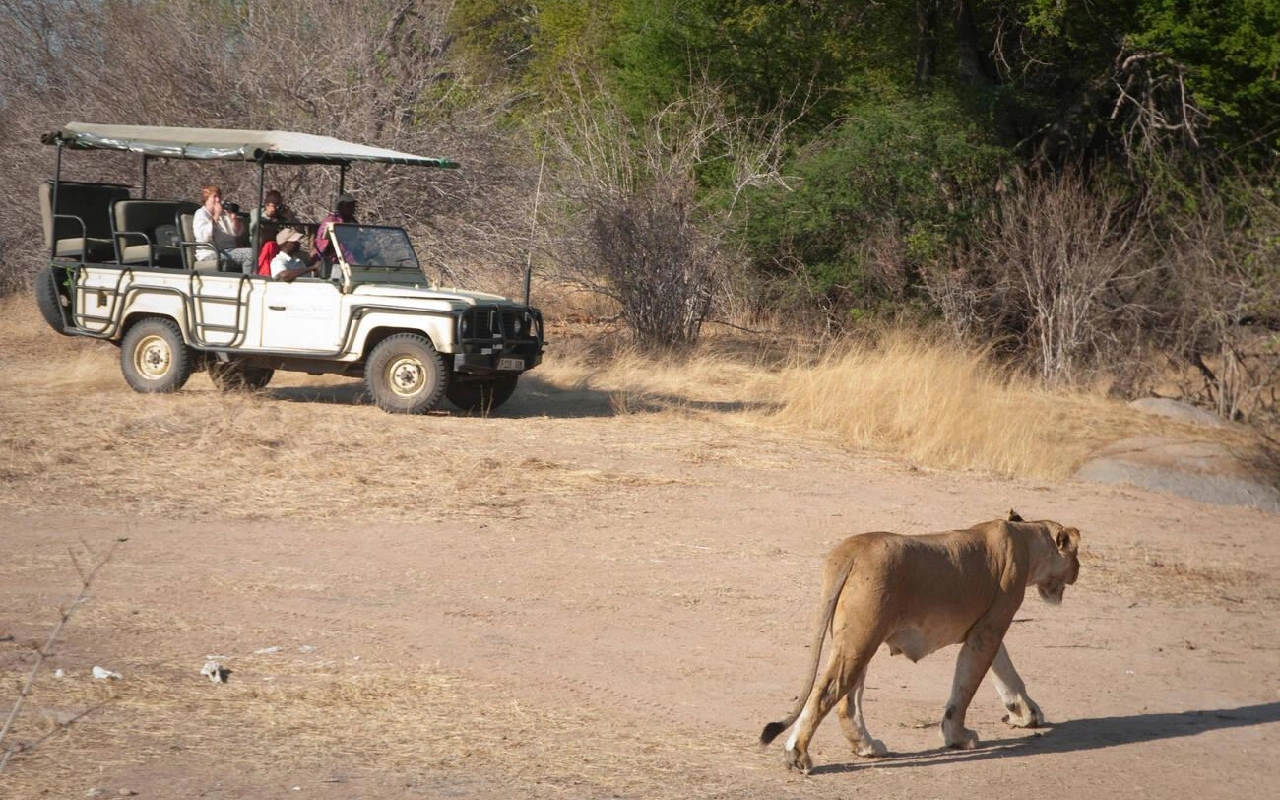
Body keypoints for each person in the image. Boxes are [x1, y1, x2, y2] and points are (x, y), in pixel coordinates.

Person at [193, 184, 255, 273]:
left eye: (219, 197)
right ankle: (247, 281)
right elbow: (204, 237)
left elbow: (235, 233)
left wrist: (233, 218)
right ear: (207, 199)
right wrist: (216, 215)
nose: (218, 200)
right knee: (250, 254)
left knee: (255, 252)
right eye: (214, 197)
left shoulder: (224, 214)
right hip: (211, 253)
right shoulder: (200, 214)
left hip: (228, 250)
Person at [314, 192, 358, 265]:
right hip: (334, 261)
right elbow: (324, 247)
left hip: (353, 258)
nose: (352, 209)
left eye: (353, 206)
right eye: (349, 206)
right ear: (340, 207)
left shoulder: (353, 222)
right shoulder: (331, 221)